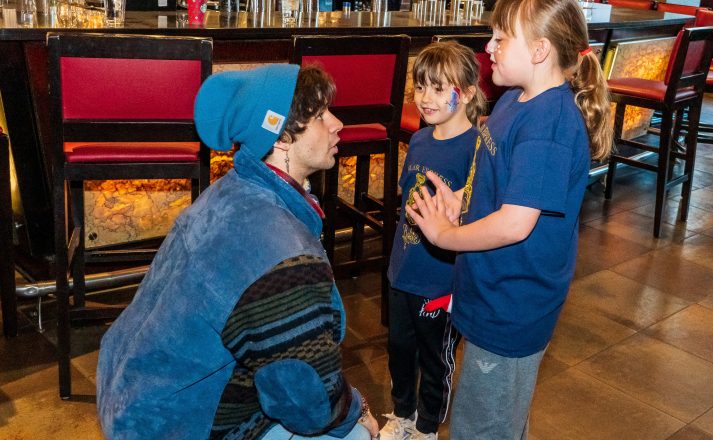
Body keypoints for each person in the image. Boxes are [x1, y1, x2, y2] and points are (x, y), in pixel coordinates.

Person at [96, 64, 380, 440]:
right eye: (319, 116)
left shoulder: (231, 193)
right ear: (280, 138)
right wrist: (358, 410)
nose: (337, 123)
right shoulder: (282, 254)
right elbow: (309, 404)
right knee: (357, 435)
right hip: (174, 425)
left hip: (129, 395)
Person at [405, 0, 612, 439]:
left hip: (513, 305)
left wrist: (446, 234)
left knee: (483, 428)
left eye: (501, 39)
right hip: (490, 291)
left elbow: (517, 222)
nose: (489, 46)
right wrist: (460, 199)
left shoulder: (550, 123)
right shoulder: (513, 102)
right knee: (493, 418)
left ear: (539, 51)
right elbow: (497, 179)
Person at [382, 41, 485, 440]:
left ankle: (426, 427)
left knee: (435, 356)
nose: (426, 98)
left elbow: (476, 216)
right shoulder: (421, 140)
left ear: (467, 93)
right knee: (399, 350)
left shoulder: (475, 150)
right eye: (421, 87)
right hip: (403, 269)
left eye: (440, 89)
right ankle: (402, 414)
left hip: (441, 280)